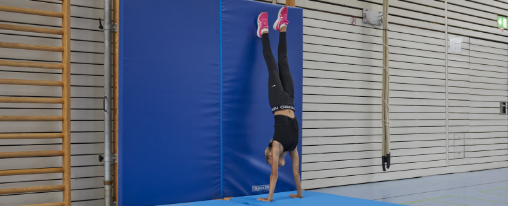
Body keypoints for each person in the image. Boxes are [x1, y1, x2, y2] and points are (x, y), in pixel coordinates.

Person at [256, 7, 303, 202]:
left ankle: (264, 30)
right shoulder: (292, 147)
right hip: (290, 99)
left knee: (272, 65)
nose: (274, 164)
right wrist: (299, 194)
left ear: (270, 158)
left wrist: (269, 199)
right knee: (284, 61)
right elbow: (296, 173)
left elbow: (273, 175)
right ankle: (281, 26)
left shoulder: (276, 146)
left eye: (271, 162)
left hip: (277, 101)